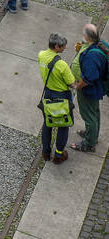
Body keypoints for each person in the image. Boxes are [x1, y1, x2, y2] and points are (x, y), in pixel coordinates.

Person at [38, 33, 76, 164]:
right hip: (62, 98)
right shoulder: (62, 65)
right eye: (63, 47)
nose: (64, 48)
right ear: (56, 46)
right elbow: (72, 84)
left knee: (47, 124)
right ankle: (59, 155)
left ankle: (46, 152)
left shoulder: (41, 55)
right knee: (63, 125)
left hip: (48, 94)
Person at [71, 24, 109, 152]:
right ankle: (92, 134)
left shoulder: (92, 57)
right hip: (95, 88)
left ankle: (89, 143)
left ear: (87, 36)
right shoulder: (99, 43)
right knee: (94, 112)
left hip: (89, 90)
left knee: (89, 116)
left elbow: (89, 78)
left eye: (84, 33)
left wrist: (78, 86)